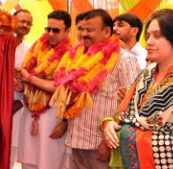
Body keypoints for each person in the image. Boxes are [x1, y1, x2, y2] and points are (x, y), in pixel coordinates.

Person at [50, 9, 140, 169]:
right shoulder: (78, 57)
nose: (84, 34)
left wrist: (107, 142)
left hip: (101, 145)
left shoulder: (125, 60)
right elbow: (74, 96)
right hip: (77, 141)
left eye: (89, 30)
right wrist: (65, 121)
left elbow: (132, 106)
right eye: (82, 29)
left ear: (106, 31)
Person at [101, 9, 173, 169]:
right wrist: (109, 125)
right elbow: (122, 115)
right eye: (148, 36)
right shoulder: (147, 74)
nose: (149, 42)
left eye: (158, 35)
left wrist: (126, 134)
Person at [14, 10, 72, 169]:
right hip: (30, 111)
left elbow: (60, 86)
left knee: (49, 161)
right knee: (28, 160)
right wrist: (22, 85)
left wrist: (30, 79)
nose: (50, 34)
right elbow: (28, 79)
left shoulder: (72, 54)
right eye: (48, 29)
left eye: (56, 30)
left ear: (68, 31)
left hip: (53, 114)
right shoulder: (36, 48)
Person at [11, 9, 33, 169]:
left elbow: (31, 79)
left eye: (28, 23)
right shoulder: (0, 41)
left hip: (18, 105)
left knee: (12, 146)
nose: (25, 25)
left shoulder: (30, 50)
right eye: (21, 21)